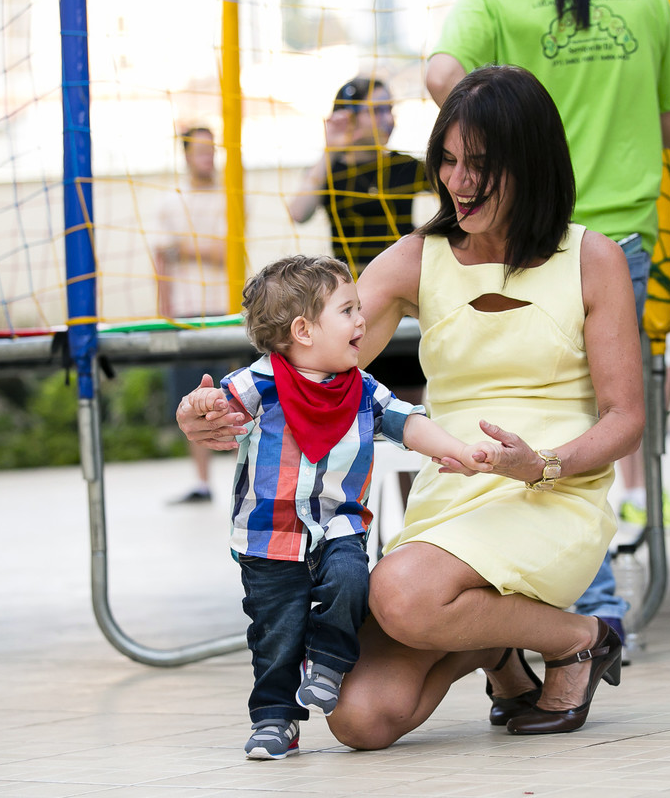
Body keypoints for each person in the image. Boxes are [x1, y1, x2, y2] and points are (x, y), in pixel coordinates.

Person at [179, 66, 644, 747]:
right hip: (452, 498)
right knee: (360, 720)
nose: (459, 182)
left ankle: (581, 638)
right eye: (448, 162)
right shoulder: (414, 260)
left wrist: (541, 464)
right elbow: (306, 359)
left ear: (532, 161)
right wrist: (220, 407)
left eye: (481, 165)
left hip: (553, 493)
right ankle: (498, 646)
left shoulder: (591, 258)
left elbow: (625, 417)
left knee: (400, 595)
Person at [425, 0, 670, 642]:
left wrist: (509, 118)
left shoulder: (494, 4)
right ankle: (591, 617)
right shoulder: (649, 7)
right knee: (586, 416)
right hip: (623, 225)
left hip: (533, 226)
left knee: (539, 413)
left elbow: (443, 78)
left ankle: (579, 618)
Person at [181, 253, 500, 759]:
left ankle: (328, 661)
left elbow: (407, 422)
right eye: (348, 310)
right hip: (270, 534)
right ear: (304, 330)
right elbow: (211, 406)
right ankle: (275, 718)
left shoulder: (363, 390)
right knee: (275, 631)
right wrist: (195, 408)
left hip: (338, 525)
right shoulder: (259, 384)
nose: (362, 320)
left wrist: (457, 450)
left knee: (353, 582)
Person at [287, 77, 431, 403]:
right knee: (355, 397)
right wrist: (330, 149)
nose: (388, 119)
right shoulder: (330, 170)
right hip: (352, 302)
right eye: (378, 110)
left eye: (390, 110)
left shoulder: (403, 166)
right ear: (350, 117)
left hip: (403, 296)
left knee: (404, 399)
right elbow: (298, 211)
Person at [154, 126, 240, 505]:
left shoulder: (231, 197)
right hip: (187, 313)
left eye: (212, 149)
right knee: (192, 400)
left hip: (227, 311)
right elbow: (161, 258)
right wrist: (164, 311)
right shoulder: (170, 202)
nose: (207, 156)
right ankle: (203, 483)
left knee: (236, 400)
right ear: (186, 154)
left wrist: (183, 248)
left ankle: (249, 476)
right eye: (200, 149)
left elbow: (225, 253)